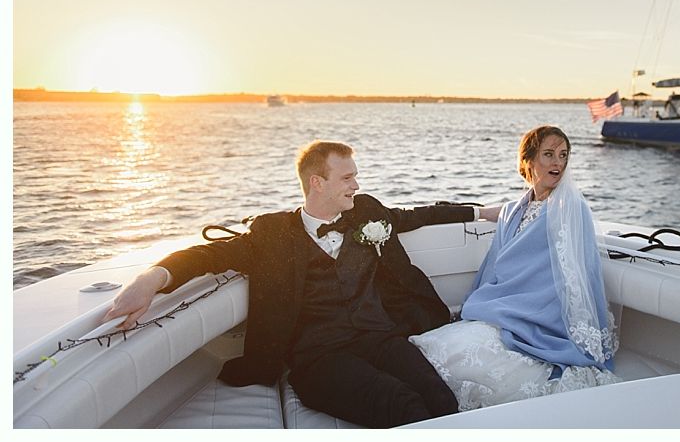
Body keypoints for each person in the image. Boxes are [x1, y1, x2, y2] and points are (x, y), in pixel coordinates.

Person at [102, 140, 500, 428]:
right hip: (320, 359)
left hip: (381, 338)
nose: (356, 185)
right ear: (317, 183)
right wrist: (151, 277)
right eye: (347, 177)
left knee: (441, 398)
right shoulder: (274, 234)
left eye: (356, 176)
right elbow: (211, 256)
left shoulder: (366, 213)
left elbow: (414, 215)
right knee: (400, 404)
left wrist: (482, 211)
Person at [410, 125, 619, 411]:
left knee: (461, 360)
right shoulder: (515, 209)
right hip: (501, 307)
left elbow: (580, 276)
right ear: (528, 161)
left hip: (540, 317)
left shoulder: (572, 209)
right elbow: (497, 241)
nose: (558, 162)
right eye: (548, 154)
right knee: (432, 349)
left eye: (563, 155)